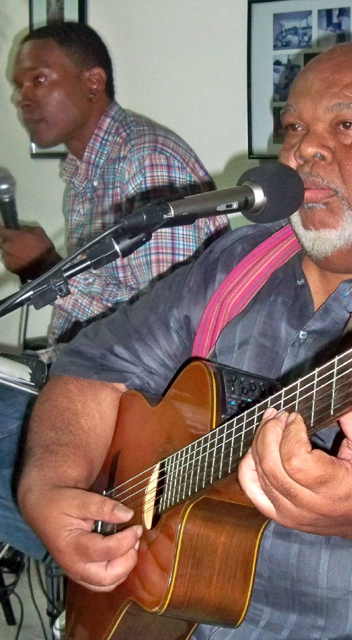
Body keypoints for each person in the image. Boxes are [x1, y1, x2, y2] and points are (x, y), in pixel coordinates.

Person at [16, 41, 352, 639]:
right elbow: (95, 362)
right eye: (294, 127)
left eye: (345, 125)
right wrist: (49, 486)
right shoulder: (239, 264)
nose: (305, 149)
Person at [0, 22, 228, 561]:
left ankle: (106, 557)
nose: (22, 97)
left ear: (92, 81)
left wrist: (47, 269)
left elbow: (167, 328)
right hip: (74, 370)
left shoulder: (143, 160)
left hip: (140, 395)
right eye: (17, 86)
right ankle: (82, 552)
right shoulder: (87, 168)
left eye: (38, 79)